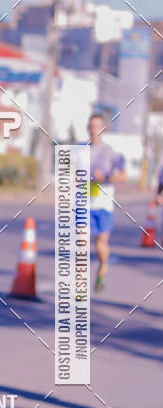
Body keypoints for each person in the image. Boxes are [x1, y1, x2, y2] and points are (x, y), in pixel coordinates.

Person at [87, 113, 126, 292]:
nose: (95, 130)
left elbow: (123, 176)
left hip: (103, 205)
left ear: (103, 129)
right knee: (80, 240)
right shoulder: (81, 150)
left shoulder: (110, 152)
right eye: (92, 126)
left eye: (98, 126)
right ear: (88, 128)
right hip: (84, 204)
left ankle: (103, 267)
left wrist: (107, 177)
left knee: (100, 244)